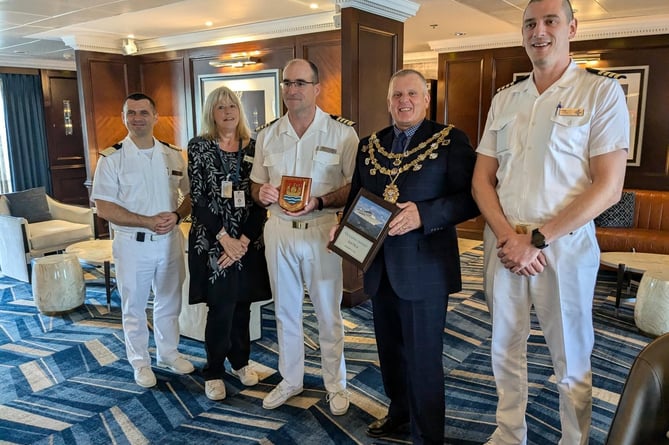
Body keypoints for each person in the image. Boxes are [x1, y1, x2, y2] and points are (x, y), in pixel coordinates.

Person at [471, 1, 630, 444]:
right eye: (530, 23)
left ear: (572, 28)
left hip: (563, 246)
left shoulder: (600, 93)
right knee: (504, 347)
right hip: (504, 244)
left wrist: (537, 240)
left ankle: (573, 439)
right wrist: (509, 237)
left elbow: (608, 186)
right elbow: (482, 180)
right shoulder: (506, 99)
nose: (538, 31)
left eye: (550, 21)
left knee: (571, 355)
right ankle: (509, 433)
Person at [342, 69, 479, 444]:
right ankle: (399, 414)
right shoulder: (370, 144)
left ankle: (427, 435)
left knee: (422, 358)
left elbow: (471, 199)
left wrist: (424, 214)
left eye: (412, 94)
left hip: (424, 268)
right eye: (397, 95)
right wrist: (345, 233)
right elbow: (358, 199)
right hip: (380, 268)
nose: (404, 101)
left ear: (426, 99)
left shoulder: (450, 141)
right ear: (388, 102)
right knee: (390, 352)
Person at [250, 58, 359, 415]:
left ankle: (335, 383)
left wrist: (322, 200)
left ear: (316, 88)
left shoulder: (342, 133)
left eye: (300, 83)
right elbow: (255, 183)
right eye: (286, 83)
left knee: (329, 313)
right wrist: (261, 193)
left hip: (321, 232)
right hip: (279, 231)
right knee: (285, 312)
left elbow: (353, 186)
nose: (292, 90)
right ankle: (291, 379)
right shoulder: (268, 134)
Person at [91, 92, 194, 388]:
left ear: (155, 116)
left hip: (170, 240)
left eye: (143, 112)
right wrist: (146, 221)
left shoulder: (173, 154)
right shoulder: (112, 158)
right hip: (132, 244)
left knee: (169, 301)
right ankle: (140, 362)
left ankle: (168, 353)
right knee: (134, 307)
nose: (137, 118)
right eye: (131, 113)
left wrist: (177, 215)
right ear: (124, 118)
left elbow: (189, 196)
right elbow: (105, 208)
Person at [187, 86, 270, 401]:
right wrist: (225, 239)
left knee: (243, 306)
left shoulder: (256, 146)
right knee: (221, 308)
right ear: (212, 113)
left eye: (232, 105)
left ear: (240, 109)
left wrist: (243, 241)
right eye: (220, 107)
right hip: (212, 240)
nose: (227, 111)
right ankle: (214, 371)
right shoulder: (199, 146)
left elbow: (261, 198)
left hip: (249, 238)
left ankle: (241, 362)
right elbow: (198, 200)